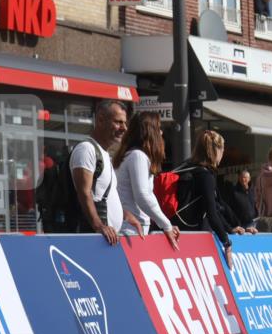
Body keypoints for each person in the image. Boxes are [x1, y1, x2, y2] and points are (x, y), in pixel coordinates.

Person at [70, 100, 143, 245]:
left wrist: (124, 215)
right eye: (118, 122)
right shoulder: (86, 149)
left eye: (125, 123)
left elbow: (104, 194)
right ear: (101, 120)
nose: (124, 128)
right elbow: (84, 193)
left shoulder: (103, 153)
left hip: (107, 240)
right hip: (93, 240)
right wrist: (99, 226)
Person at [112, 111, 179, 249]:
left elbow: (147, 195)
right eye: (158, 128)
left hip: (132, 227)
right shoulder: (138, 156)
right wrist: (166, 225)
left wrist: (165, 223)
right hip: (130, 230)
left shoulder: (133, 155)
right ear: (150, 131)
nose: (161, 133)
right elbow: (143, 195)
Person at [176, 130, 241, 266]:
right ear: (216, 150)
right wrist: (227, 242)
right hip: (196, 237)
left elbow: (217, 206)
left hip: (177, 231)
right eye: (222, 149)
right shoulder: (206, 176)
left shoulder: (186, 167)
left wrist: (229, 228)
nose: (223, 154)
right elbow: (212, 213)